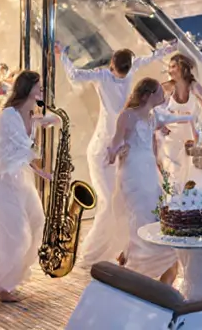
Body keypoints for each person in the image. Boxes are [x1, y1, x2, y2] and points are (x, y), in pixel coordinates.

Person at [56, 39, 177, 265]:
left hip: (122, 148)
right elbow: (150, 56)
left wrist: (63, 54)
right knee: (108, 203)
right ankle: (93, 253)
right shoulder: (115, 73)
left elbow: (74, 75)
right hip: (106, 150)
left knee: (122, 202)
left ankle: (125, 250)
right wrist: (166, 49)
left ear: (114, 62)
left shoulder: (104, 74)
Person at [0, 70, 59, 303]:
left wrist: (46, 120)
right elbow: (21, 148)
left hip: (20, 178)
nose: (42, 89)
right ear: (27, 88)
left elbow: (25, 150)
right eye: (39, 86)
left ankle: (12, 277)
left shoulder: (31, 113)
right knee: (15, 233)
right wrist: (43, 171)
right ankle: (1, 284)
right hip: (3, 181)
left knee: (37, 220)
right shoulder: (8, 115)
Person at [105, 77, 192, 283]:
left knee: (155, 216)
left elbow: (175, 118)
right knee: (141, 218)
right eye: (159, 92)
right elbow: (111, 150)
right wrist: (120, 150)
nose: (163, 95)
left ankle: (151, 264)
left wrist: (197, 114)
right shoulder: (127, 116)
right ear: (147, 95)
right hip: (133, 174)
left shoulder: (153, 117)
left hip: (151, 174)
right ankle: (138, 266)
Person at [158, 52, 202, 188]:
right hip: (171, 135)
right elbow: (153, 108)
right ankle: (173, 201)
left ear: (182, 67)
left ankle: (186, 203)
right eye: (169, 67)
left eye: (173, 66)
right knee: (173, 171)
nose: (170, 71)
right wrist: (160, 125)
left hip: (191, 135)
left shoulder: (192, 85)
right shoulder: (167, 87)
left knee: (191, 172)